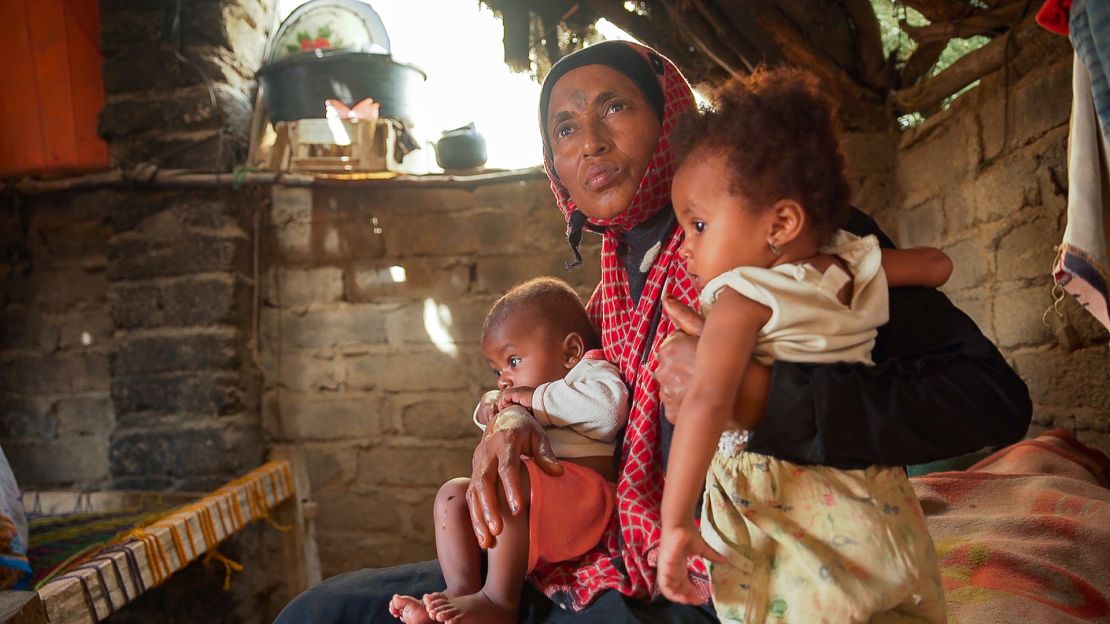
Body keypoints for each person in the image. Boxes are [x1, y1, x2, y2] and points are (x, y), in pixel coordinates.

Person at [274, 41, 1032, 623]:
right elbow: (551, 389)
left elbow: (989, 399)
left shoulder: (780, 242)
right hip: (587, 562)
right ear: (555, 171)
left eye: (614, 109)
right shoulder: (604, 300)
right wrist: (508, 418)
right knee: (314, 612)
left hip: (720, 581)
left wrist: (762, 396)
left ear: (671, 115)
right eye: (565, 128)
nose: (590, 143)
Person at [656, 67, 948, 623]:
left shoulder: (740, 300)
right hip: (870, 490)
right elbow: (937, 265)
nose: (686, 248)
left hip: (786, 502)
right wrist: (846, 258)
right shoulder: (840, 268)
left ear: (781, 221)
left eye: (697, 225)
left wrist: (674, 522)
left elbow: (706, 400)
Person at [390, 278, 628, 624]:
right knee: (453, 494)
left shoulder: (589, 373)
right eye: (498, 370)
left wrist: (536, 400)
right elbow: (497, 413)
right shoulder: (522, 392)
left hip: (585, 502)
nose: (504, 379)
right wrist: (491, 407)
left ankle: (498, 601)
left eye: (513, 360)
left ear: (570, 352)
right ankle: (462, 589)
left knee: (509, 478)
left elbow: (608, 412)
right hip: (534, 506)